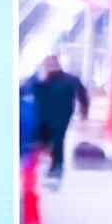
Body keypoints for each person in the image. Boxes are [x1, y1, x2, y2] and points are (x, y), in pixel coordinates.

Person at [26, 55, 88, 184]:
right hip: (43, 116)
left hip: (61, 115)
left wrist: (84, 113)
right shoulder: (41, 80)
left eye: (52, 63)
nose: (50, 66)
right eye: (47, 64)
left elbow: (82, 95)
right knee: (42, 140)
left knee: (58, 139)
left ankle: (57, 166)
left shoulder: (70, 79)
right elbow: (27, 91)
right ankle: (46, 164)